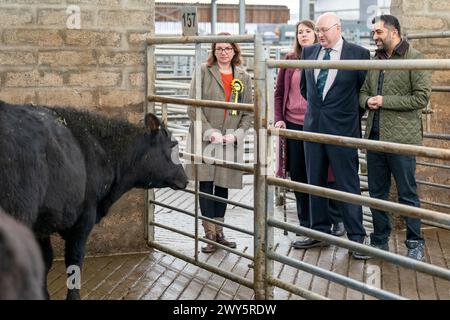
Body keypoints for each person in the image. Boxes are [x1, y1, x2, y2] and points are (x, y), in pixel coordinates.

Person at [296, 12, 370, 259]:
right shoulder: (309, 53)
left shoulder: (358, 54)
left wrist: (345, 116)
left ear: (337, 28)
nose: (320, 35)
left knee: (347, 184)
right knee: (314, 181)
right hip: (314, 128)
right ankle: (318, 232)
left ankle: (357, 239)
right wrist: (319, 114)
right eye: (317, 30)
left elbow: (362, 93)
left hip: (343, 130)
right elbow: (306, 90)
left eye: (324, 30)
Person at [360, 15, 432, 261]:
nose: (375, 37)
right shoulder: (375, 60)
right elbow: (363, 92)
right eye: (373, 33)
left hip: (402, 139)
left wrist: (383, 101)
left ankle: (415, 241)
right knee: (377, 192)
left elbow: (421, 98)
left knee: (407, 192)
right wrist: (366, 101)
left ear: (393, 32)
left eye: (378, 32)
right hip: (374, 136)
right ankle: (380, 240)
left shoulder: (416, 59)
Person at [273, 20, 345, 247]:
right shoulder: (290, 59)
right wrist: (279, 118)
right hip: (294, 124)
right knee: (300, 175)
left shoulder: (322, 57)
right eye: (299, 32)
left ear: (317, 34)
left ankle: (335, 218)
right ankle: (306, 222)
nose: (303, 35)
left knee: (326, 173)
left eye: (307, 31)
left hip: (317, 124)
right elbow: (279, 92)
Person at [185, 32, 253, 253]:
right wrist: (209, 132)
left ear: (235, 51)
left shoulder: (243, 76)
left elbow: (248, 113)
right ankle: (210, 234)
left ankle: (220, 232)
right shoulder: (203, 71)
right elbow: (193, 107)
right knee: (206, 184)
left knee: (222, 185)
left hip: (229, 140)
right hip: (206, 138)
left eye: (227, 48)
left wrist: (237, 135)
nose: (223, 52)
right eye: (219, 49)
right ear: (213, 51)